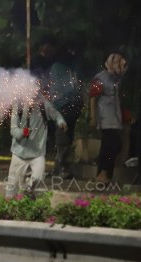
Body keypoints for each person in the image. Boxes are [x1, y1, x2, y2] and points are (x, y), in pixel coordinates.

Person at [6, 85, 67, 199]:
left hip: (37, 153)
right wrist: (23, 132)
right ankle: (8, 209)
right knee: (12, 186)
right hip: (19, 153)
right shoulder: (17, 107)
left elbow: (56, 114)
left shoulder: (43, 105)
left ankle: (27, 191)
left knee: (38, 178)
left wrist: (61, 121)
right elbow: (13, 130)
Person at [89, 53, 131, 183]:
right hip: (105, 118)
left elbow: (125, 68)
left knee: (107, 146)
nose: (118, 64)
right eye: (115, 62)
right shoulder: (100, 78)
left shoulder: (116, 78)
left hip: (115, 118)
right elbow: (93, 98)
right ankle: (104, 172)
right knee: (114, 145)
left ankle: (103, 175)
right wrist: (93, 117)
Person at [49, 42, 84, 179]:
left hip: (63, 107)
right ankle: (61, 168)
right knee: (66, 137)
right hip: (71, 106)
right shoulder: (72, 67)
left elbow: (60, 88)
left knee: (62, 138)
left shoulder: (58, 67)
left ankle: (61, 168)